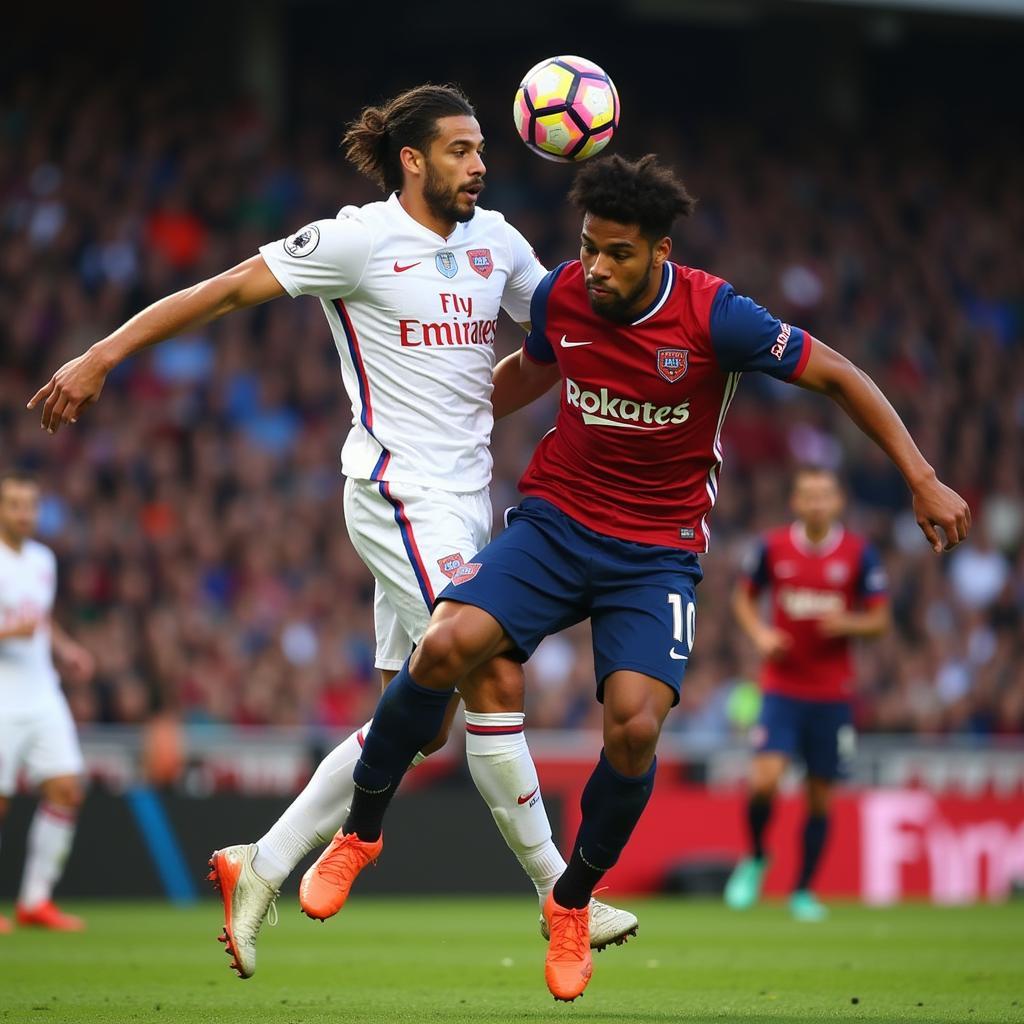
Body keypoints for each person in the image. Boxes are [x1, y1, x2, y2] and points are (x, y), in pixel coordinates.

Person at [304, 153, 971, 1001]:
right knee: (446, 647)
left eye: (617, 252)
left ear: (659, 248)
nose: (597, 267)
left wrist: (919, 476)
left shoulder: (717, 316)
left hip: (654, 552)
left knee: (633, 729)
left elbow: (837, 374)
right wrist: (440, 424)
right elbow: (533, 369)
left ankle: (572, 901)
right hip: (554, 525)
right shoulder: (563, 297)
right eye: (588, 247)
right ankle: (361, 833)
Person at [27, 84, 635, 977]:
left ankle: (259, 863)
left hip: (466, 497)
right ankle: (556, 893)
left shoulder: (498, 241)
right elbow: (231, 289)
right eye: (461, 151)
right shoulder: (356, 239)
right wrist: (100, 354)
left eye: (481, 150)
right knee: (490, 668)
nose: (479, 164)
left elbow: (562, 334)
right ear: (414, 160)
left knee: (418, 724)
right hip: (396, 490)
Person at [724, 466, 890, 921]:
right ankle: (757, 857)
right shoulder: (772, 546)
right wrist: (759, 633)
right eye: (808, 496)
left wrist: (848, 623)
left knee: (820, 795)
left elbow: (879, 620)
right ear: (795, 503)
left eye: (824, 495)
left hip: (833, 693)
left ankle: (802, 890)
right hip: (781, 687)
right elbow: (742, 597)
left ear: (837, 503)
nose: (816, 503)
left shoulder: (859, 554)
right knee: (764, 780)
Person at [0, 471, 95, 932]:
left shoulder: (42, 559)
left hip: (41, 690)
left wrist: (66, 648)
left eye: (30, 505)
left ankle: (35, 900)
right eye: (15, 504)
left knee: (66, 789)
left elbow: (40, 620)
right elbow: (19, 625)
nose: (24, 514)